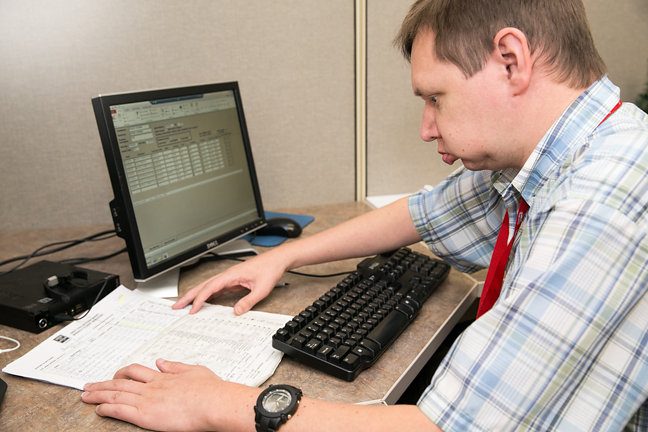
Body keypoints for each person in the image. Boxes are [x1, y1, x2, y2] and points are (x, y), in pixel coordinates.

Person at [82, 0, 648, 430]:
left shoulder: (596, 204)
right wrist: (285, 255)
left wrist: (216, 403)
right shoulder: (571, 150)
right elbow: (424, 214)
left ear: (511, 60)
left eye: (435, 98)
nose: (427, 127)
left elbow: (442, 429)